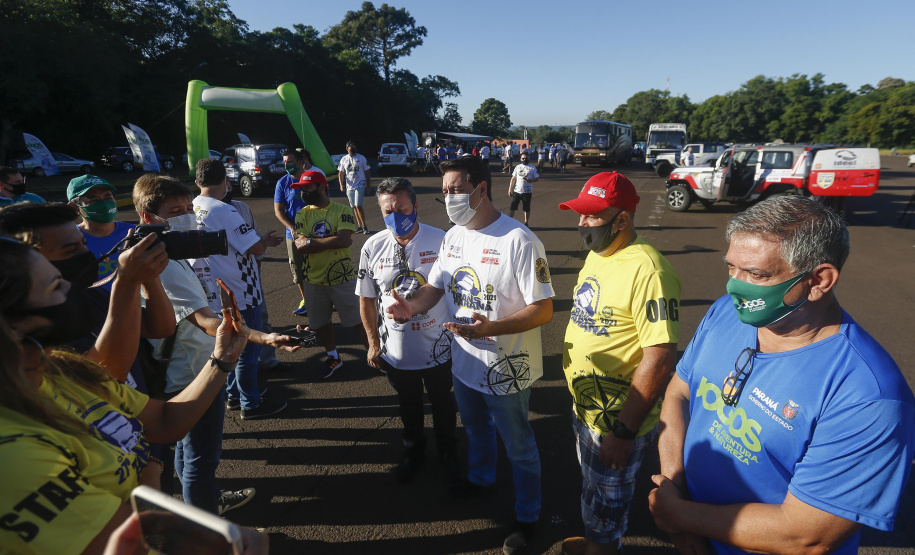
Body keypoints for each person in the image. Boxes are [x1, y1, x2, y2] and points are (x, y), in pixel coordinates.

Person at [648, 196, 915, 555]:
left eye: (756, 274)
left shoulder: (869, 397)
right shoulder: (727, 312)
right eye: (731, 268)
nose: (734, 287)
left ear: (819, 280)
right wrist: (675, 489)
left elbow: (807, 535)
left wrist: (682, 517)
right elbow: (679, 393)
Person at [0, 235, 250, 555]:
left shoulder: (60, 370)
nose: (73, 292)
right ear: (12, 326)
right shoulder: (13, 454)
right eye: (55, 287)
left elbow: (164, 421)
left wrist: (222, 359)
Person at [386, 154, 554, 555]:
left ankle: (528, 515)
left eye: (456, 190)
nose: (449, 198)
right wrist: (412, 306)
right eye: (444, 192)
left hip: (505, 368)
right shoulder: (454, 235)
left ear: (482, 188)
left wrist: (491, 328)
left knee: (520, 448)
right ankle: (481, 480)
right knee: (477, 430)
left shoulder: (519, 240)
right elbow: (437, 287)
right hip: (464, 362)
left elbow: (544, 308)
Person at [132, 177, 302, 515]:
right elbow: (206, 321)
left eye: (187, 209)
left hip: (177, 372)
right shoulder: (163, 268)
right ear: (149, 217)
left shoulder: (155, 254)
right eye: (175, 211)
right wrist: (263, 337)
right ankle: (206, 527)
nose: (186, 217)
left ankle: (199, 504)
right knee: (200, 461)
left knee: (184, 453)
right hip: (190, 375)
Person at [556, 172, 681, 555]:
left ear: (622, 219)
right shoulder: (599, 256)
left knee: (610, 502)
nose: (582, 223)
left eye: (593, 216)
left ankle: (603, 545)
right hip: (589, 408)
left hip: (617, 419)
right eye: (581, 214)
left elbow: (659, 356)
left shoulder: (649, 270)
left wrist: (624, 432)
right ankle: (596, 536)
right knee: (594, 487)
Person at [0, 201, 174, 386]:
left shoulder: (92, 294)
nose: (86, 254)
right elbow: (101, 377)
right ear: (27, 259)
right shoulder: (30, 321)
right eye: (71, 249)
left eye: (83, 244)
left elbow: (159, 328)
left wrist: (149, 276)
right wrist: (126, 283)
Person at [356, 177, 458, 484]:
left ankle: (448, 452)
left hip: (440, 345)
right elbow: (366, 299)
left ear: (415, 205)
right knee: (408, 406)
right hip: (397, 351)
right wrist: (373, 343)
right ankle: (413, 451)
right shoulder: (372, 246)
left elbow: (455, 290)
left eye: (401, 208)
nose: (396, 216)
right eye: (388, 211)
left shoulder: (442, 240)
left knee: (443, 404)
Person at [190, 158, 287, 419]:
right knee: (246, 349)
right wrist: (263, 242)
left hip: (214, 288)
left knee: (229, 344)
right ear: (226, 180)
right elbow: (254, 248)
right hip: (241, 289)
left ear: (198, 182)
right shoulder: (225, 210)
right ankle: (250, 403)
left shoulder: (194, 206)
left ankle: (234, 394)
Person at [293, 170, 368, 378]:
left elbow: (343, 240)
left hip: (341, 278)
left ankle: (375, 354)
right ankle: (333, 356)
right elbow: (301, 246)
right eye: (301, 189)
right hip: (313, 280)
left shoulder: (342, 210)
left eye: (307, 188)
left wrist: (311, 242)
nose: (303, 192)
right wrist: (327, 241)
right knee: (322, 323)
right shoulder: (302, 214)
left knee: (358, 320)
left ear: (321, 187)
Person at [274, 148, 324, 317]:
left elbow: (324, 203)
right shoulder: (282, 183)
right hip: (293, 236)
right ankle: (307, 301)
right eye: (285, 163)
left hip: (316, 232)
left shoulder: (313, 179)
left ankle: (322, 299)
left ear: (301, 162)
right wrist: (292, 228)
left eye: (290, 162)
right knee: (298, 270)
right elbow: (279, 211)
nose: (287, 165)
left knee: (319, 267)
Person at [67, 174, 135, 291]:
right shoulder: (67, 241)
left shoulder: (134, 232)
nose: (104, 204)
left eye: (108, 198)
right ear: (74, 208)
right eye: (93, 200)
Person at [338, 141, 372, 234]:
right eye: (351, 147)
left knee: (358, 205)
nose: (352, 148)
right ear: (347, 148)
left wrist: (368, 185)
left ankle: (364, 226)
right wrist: (341, 184)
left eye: (354, 146)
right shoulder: (344, 159)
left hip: (360, 184)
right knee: (353, 207)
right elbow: (341, 172)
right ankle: (359, 225)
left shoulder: (361, 158)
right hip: (349, 186)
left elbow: (367, 172)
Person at [507, 153, 540, 227]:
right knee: (513, 207)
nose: (524, 160)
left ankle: (526, 222)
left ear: (529, 158)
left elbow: (537, 178)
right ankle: (509, 222)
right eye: (523, 158)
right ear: (520, 159)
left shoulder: (532, 168)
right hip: (517, 191)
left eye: (526, 158)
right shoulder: (518, 167)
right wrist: (510, 189)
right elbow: (513, 178)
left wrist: (530, 180)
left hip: (527, 192)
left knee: (526, 208)